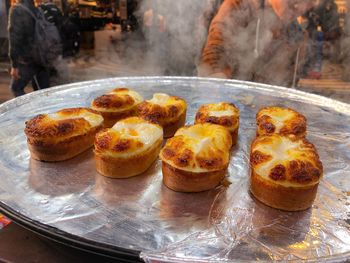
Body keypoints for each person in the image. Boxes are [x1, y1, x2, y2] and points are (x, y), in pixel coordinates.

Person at [198, 0, 316, 87]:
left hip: (270, 109)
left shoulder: (296, 34)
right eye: (294, 2)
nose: (300, 8)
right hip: (231, 100)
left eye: (308, 3)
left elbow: (290, 80)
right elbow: (216, 51)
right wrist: (217, 85)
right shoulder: (239, 6)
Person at [8, 0, 50, 97]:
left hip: (27, 59)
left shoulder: (16, 10)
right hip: (42, 56)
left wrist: (14, 65)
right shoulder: (38, 9)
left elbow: (14, 38)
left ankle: (31, 110)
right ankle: (44, 109)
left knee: (16, 88)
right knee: (43, 91)